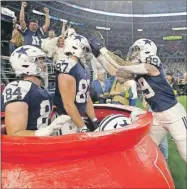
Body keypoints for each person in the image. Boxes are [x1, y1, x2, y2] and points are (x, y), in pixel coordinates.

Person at [89, 33, 187, 162]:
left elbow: (121, 65)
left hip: (173, 114)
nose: (134, 54)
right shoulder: (137, 72)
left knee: (185, 153)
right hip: (157, 116)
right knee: (147, 150)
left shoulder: (153, 63)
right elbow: (115, 72)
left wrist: (103, 50)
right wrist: (99, 56)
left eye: (136, 50)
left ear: (146, 51)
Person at [2, 45, 71, 136]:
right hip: (27, 148)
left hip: (41, 144)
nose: (44, 64)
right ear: (25, 64)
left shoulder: (40, 88)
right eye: (39, 61)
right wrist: (47, 131)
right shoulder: (19, 88)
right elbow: (14, 134)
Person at [54, 33, 99, 134]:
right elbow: (68, 104)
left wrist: (94, 120)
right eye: (84, 49)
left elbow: (86, 97)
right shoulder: (67, 66)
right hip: (65, 121)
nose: (86, 53)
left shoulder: (85, 68)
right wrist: (82, 127)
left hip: (79, 119)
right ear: (74, 47)